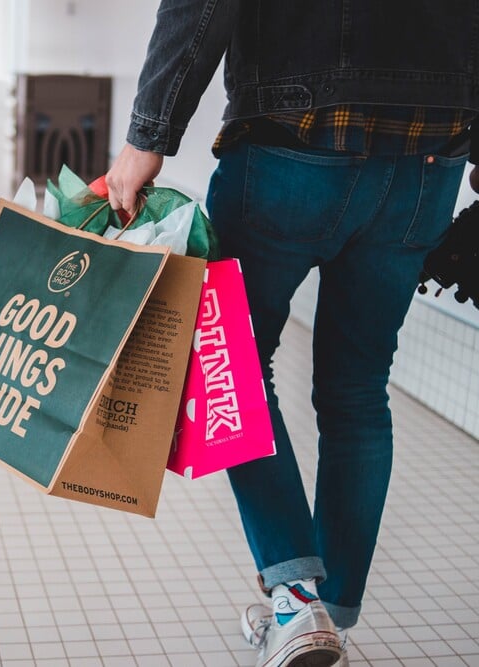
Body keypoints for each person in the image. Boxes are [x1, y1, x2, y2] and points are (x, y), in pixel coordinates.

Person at [105, 2, 479, 666]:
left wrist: (147, 136)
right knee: (358, 390)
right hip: (430, 157)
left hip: (291, 145)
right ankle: (327, 611)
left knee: (233, 366)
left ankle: (293, 598)